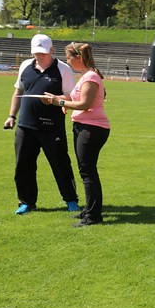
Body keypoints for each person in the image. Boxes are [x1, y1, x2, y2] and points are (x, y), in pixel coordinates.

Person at [4, 34, 79, 215]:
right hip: (25, 126)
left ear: (52, 50)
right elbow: (18, 91)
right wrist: (11, 115)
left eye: (43, 53)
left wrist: (54, 100)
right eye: (36, 53)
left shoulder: (63, 69)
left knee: (60, 164)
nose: (39, 56)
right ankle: (27, 202)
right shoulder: (25, 66)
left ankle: (71, 200)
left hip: (52, 127)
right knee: (23, 165)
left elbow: (72, 97)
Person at [41, 43, 110, 227]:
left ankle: (94, 216)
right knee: (86, 170)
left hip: (91, 128)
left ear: (78, 57)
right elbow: (75, 99)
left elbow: (85, 104)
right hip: (84, 126)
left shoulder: (91, 77)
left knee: (88, 171)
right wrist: (56, 99)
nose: (67, 61)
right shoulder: (85, 76)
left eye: (69, 57)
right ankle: (89, 210)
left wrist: (59, 102)